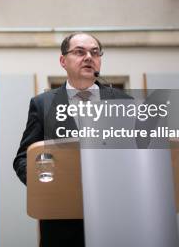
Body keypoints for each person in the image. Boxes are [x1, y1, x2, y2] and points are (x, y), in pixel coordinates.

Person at [13, 32, 130, 247]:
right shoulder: (43, 104)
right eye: (79, 52)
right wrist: (45, 184)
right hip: (62, 226)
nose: (88, 57)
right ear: (63, 61)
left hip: (116, 221)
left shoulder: (124, 102)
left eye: (94, 52)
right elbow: (23, 158)